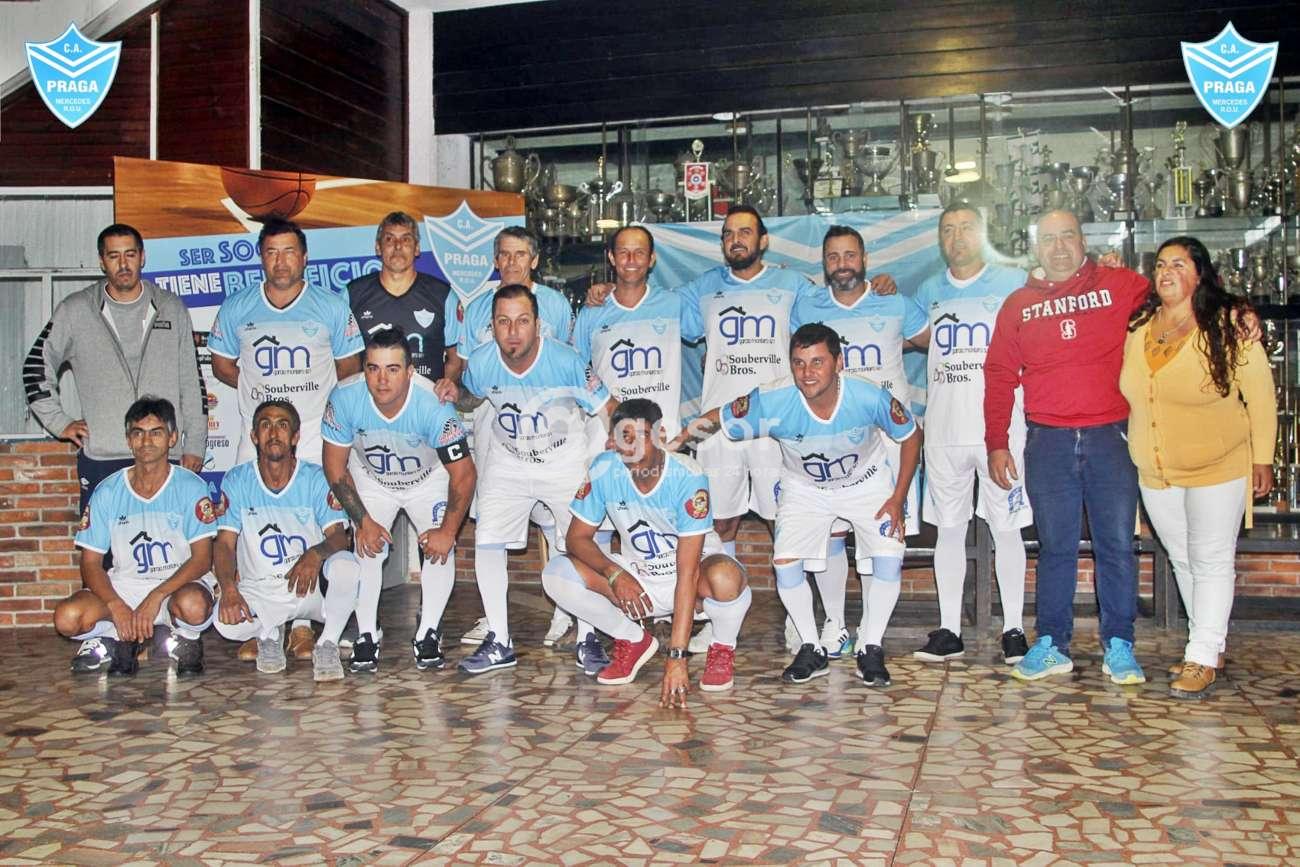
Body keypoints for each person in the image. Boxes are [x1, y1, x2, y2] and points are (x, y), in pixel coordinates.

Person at [680, 323, 921, 688]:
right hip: (805, 488)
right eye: (799, 363)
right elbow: (719, 416)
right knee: (785, 563)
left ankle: (870, 647)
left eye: (817, 362)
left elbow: (912, 435)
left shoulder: (867, 395)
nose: (807, 373)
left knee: (889, 556)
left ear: (838, 363)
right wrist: (676, 441)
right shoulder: (774, 399)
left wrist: (898, 498)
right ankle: (812, 647)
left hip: (866, 483)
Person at [983, 209, 1151, 684]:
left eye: (1068, 236)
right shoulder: (1018, 304)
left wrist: (1237, 314)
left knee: (1116, 545)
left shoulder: (1119, 285)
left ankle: (1119, 644)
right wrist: (997, 442)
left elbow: (1182, 297)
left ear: (1083, 241)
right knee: (1055, 547)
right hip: (1048, 441)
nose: (1059, 247)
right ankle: (1052, 644)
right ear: (1036, 248)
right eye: (1049, 239)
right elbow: (999, 375)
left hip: (1111, 437)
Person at [1119, 236, 1275, 699]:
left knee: (1210, 558)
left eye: (1179, 264)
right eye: (1160, 264)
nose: (1166, 272)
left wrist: (1263, 457)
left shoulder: (1229, 324)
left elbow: (1260, 394)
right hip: (1156, 469)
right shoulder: (1140, 325)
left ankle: (1202, 655)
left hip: (1219, 465)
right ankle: (1210, 642)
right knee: (1183, 556)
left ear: (1200, 274)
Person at [208, 217, 365, 661]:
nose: (281, 262)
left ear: (305, 257)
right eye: (272, 252)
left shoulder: (330, 306)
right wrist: (263, 397)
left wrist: (314, 408)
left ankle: (301, 626)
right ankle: (265, 621)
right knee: (250, 527)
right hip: (259, 433)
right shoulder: (237, 307)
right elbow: (223, 366)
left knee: (317, 525)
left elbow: (349, 369)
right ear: (261, 257)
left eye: (289, 252)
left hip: (314, 432)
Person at [541, 399, 751, 700]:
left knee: (726, 577)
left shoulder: (688, 476)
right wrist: (614, 574)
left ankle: (722, 646)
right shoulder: (603, 469)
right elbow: (577, 538)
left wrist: (677, 657)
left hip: (694, 578)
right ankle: (632, 640)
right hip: (640, 579)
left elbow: (688, 572)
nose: (632, 447)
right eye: (623, 437)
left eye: (639, 436)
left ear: (660, 435)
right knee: (557, 574)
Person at [457, 284, 618, 675]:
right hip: (508, 460)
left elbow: (608, 406)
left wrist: (620, 449)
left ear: (537, 324)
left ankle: (587, 637)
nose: (513, 332)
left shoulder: (565, 360)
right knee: (487, 539)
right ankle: (499, 640)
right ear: (492, 325)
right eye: (503, 322)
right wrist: (453, 392)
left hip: (563, 461)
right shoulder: (480, 361)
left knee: (578, 544)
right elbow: (470, 395)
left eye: (522, 321)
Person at [786, 225, 927, 659]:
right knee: (830, 533)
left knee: (877, 538)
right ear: (824, 263)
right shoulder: (808, 306)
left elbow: (929, 341)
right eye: (833, 257)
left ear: (864, 259)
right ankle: (835, 624)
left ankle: (870, 628)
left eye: (850, 255)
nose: (842, 264)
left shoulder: (894, 302)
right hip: (833, 438)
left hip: (889, 440)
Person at [438, 225, 578, 649]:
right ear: (495, 261)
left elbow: (565, 363)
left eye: (520, 254)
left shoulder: (555, 304)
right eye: (504, 255)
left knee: (557, 521)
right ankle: (493, 619)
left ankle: (567, 607)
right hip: (494, 424)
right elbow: (465, 371)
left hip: (550, 430)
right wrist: (451, 388)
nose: (512, 262)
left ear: (534, 260)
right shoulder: (477, 307)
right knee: (494, 519)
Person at [907, 204, 1032, 665]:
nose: (956, 237)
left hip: (1000, 430)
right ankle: (949, 631)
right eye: (948, 230)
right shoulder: (928, 291)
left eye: (965, 228)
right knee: (949, 531)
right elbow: (904, 332)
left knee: (1008, 528)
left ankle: (1014, 629)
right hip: (944, 430)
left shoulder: (1014, 282)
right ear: (940, 239)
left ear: (983, 233)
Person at [321, 328, 476, 674]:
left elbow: (464, 474)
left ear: (409, 372)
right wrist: (363, 521)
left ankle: (428, 632)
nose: (382, 379)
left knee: (440, 547)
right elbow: (334, 467)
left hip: (428, 479)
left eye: (392, 369)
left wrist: (448, 531)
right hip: (372, 479)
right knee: (367, 548)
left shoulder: (433, 405)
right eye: (373, 368)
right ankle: (366, 634)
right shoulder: (344, 398)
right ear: (363, 369)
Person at [24, 223, 207, 510]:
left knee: (168, 539)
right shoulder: (76, 309)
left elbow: (191, 383)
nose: (123, 264)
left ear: (142, 257)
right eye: (113, 256)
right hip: (104, 458)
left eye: (130, 254)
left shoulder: (171, 308)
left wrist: (195, 444)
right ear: (101, 261)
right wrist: (58, 422)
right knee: (100, 540)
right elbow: (36, 365)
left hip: (164, 456)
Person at [53, 397, 217, 677]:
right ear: (128, 440)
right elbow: (90, 563)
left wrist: (156, 596)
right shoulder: (108, 491)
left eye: (156, 433)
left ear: (172, 438)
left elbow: (202, 559)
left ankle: (186, 638)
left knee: (194, 606)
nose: (146, 441)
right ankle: (116, 636)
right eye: (138, 433)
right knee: (67, 618)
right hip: (126, 587)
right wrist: (116, 605)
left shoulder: (191, 487)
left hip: (176, 586)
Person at [212, 399, 361, 682]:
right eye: (265, 425)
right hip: (262, 590)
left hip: (307, 588)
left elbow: (340, 538)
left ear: (295, 437)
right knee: (223, 622)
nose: (273, 433)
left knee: (347, 567)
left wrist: (315, 554)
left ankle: (327, 644)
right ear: (254, 436)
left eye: (282, 425)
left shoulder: (315, 478)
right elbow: (225, 544)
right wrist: (229, 589)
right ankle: (270, 633)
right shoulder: (237, 479)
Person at [347, 211, 454, 383]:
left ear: (417, 248)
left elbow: (456, 361)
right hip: (369, 398)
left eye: (406, 239)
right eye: (389, 239)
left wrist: (438, 391)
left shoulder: (443, 295)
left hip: (426, 398)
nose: (398, 246)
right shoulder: (352, 295)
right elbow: (343, 361)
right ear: (378, 247)